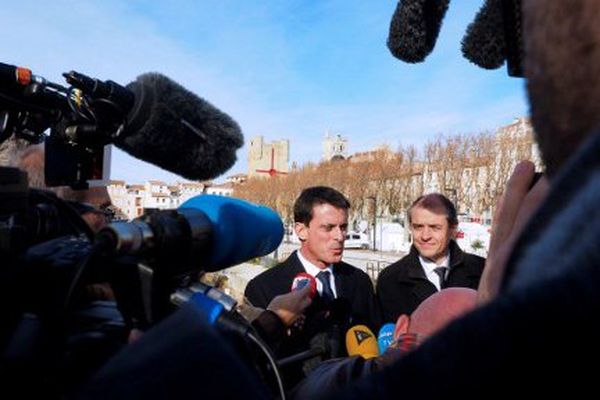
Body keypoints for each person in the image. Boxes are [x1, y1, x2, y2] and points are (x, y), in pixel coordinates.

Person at [245, 186, 380, 387]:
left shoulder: (359, 281)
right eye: (328, 228)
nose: (340, 237)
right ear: (301, 230)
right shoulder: (264, 287)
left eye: (343, 227)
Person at [376, 193, 484, 323]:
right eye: (418, 227)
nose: (425, 236)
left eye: (434, 227)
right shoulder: (390, 280)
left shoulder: (482, 271)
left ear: (453, 229)